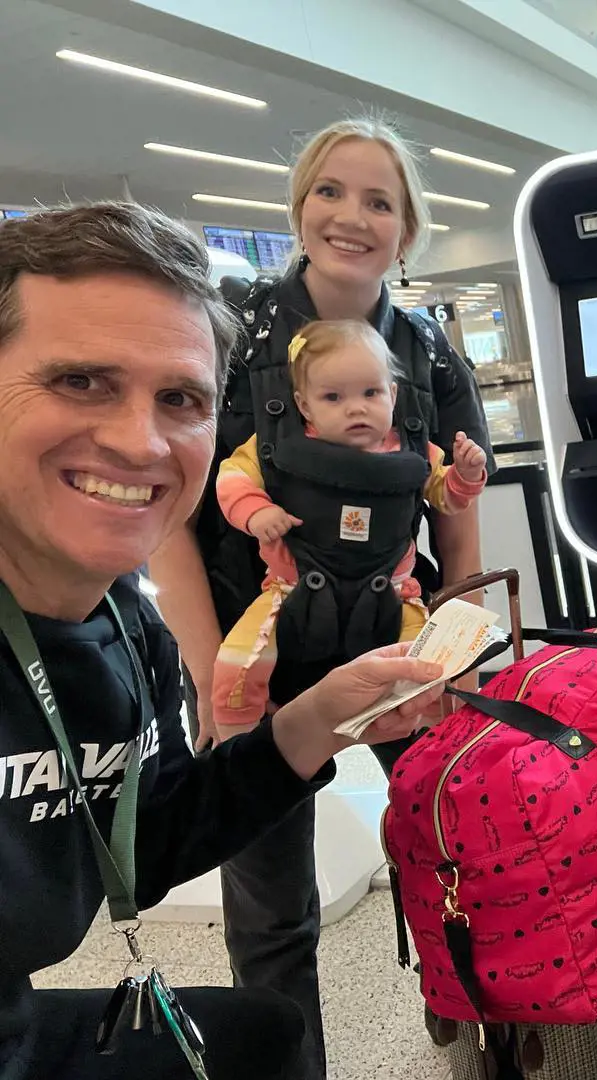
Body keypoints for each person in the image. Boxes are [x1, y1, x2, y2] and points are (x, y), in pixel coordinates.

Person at [0, 201, 448, 1080]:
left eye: (180, 399)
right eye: (80, 382)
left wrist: (316, 719)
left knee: (262, 1034)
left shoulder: (128, 633)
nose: (140, 441)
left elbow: (150, 839)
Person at [145, 117, 492, 1079]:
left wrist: (459, 655)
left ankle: (465, 1012)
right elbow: (175, 514)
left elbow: (458, 525)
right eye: (329, 192)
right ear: (299, 207)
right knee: (270, 909)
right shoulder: (230, 334)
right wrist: (213, 665)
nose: (351, 216)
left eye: (379, 200)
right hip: (256, 651)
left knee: (450, 848)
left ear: (407, 227)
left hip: (398, 646)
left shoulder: (427, 355)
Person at [211, 320, 489, 731]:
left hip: (394, 594)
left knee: (430, 666)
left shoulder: (414, 449)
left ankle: (438, 732)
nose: (355, 407)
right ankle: (236, 736)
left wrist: (465, 474)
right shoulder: (278, 445)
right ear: (304, 406)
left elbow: (446, 498)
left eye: (371, 393)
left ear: (392, 395)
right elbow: (231, 477)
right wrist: (255, 512)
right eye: (333, 397)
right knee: (237, 663)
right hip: (289, 591)